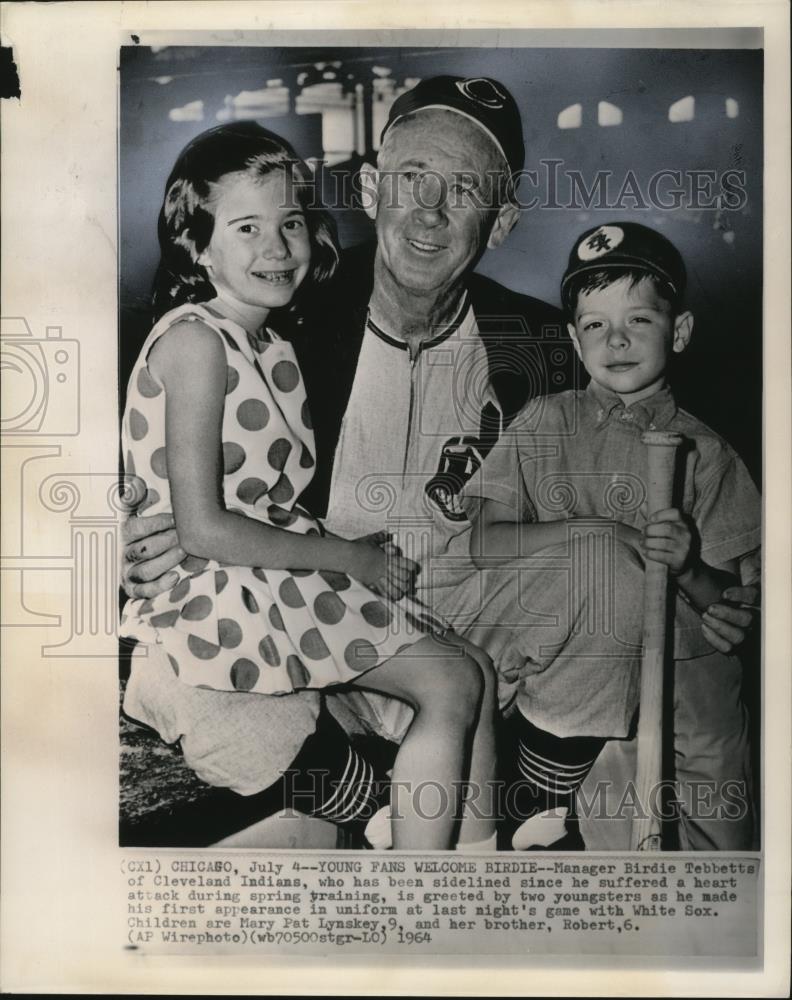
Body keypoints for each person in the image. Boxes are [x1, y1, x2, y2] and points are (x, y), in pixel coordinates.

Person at [122, 76, 759, 849]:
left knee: (603, 570)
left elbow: (659, 444)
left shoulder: (541, 344)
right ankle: (372, 813)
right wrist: (129, 526)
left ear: (501, 222)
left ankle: (524, 801)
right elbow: (146, 433)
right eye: (413, 178)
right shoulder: (280, 302)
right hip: (306, 624)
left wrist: (715, 585)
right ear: (369, 187)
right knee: (181, 678)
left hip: (474, 631)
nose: (430, 210)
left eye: (465, 190)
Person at [119, 120, 498, 852]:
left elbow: (270, 502)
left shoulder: (269, 341)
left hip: (266, 575)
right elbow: (202, 527)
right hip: (216, 591)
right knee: (450, 683)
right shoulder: (196, 341)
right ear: (198, 245)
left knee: (467, 670)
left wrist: (345, 549)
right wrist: (352, 561)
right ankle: (426, 895)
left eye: (290, 222)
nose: (277, 246)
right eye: (248, 227)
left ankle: (471, 876)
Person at [465, 222, 760, 849]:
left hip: (695, 674)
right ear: (574, 337)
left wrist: (689, 568)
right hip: (595, 679)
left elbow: (733, 610)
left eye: (640, 321)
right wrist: (593, 531)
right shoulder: (543, 421)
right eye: (596, 324)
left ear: (678, 330)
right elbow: (485, 544)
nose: (616, 339)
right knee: (614, 845)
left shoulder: (709, 452)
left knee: (725, 849)